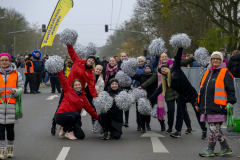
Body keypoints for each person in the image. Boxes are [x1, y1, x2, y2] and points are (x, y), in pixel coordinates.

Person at [148, 48, 207, 138]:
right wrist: (149, 100)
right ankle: (178, 131)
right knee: (179, 114)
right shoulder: (167, 81)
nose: (163, 70)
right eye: (162, 71)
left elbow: (178, 58)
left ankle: (204, 130)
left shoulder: (175, 68)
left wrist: (179, 47)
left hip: (191, 93)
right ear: (162, 74)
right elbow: (158, 91)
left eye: (164, 68)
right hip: (182, 96)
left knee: (197, 112)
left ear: (166, 67)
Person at [139, 52, 194, 134]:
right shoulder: (159, 69)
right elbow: (152, 79)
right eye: (162, 57)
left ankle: (189, 126)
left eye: (165, 56)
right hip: (168, 92)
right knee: (171, 110)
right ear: (160, 58)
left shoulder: (174, 65)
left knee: (183, 110)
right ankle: (170, 127)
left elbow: (185, 62)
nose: (164, 58)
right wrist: (142, 86)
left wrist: (194, 57)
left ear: (167, 57)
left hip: (178, 91)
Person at [51, 45, 98, 135]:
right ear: (87, 59)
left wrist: (96, 98)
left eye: (93, 60)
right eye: (90, 59)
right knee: (61, 107)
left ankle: (71, 128)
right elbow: (71, 51)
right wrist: (69, 43)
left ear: (93, 63)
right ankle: (53, 125)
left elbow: (92, 87)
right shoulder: (78, 61)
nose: (91, 60)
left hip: (78, 92)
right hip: (67, 88)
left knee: (77, 111)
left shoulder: (91, 74)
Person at [197, 51, 236, 157]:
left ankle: (210, 149)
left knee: (213, 128)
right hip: (207, 106)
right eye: (213, 58)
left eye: (218, 59)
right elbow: (202, 89)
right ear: (210, 60)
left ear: (221, 60)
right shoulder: (208, 72)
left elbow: (231, 89)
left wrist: (231, 102)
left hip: (218, 105)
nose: (215, 60)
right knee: (216, 129)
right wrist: (198, 103)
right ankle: (226, 148)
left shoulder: (225, 72)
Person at [55, 71, 98, 140]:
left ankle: (63, 128)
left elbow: (90, 109)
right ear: (73, 86)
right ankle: (68, 131)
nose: (78, 86)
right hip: (61, 116)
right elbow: (63, 80)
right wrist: (59, 70)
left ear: (81, 86)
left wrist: (97, 118)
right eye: (76, 85)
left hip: (72, 118)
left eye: (79, 85)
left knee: (81, 136)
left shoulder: (83, 97)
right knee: (76, 114)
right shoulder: (68, 90)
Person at [0, 53, 24, 159]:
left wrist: (16, 91)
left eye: (6, 60)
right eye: (2, 60)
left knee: (10, 129)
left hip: (11, 105)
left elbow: (21, 88)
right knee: (0, 130)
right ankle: (1, 151)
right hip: (0, 106)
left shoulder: (16, 74)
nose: (4, 62)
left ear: (10, 61)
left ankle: (10, 150)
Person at [132, 64, 157, 132]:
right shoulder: (141, 76)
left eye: (148, 68)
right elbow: (133, 75)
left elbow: (155, 88)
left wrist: (154, 97)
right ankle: (140, 125)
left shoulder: (154, 77)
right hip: (141, 97)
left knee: (147, 111)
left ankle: (147, 124)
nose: (147, 70)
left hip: (150, 96)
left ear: (151, 69)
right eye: (146, 68)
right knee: (139, 112)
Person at [85, 65, 104, 132]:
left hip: (92, 98)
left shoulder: (101, 81)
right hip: (84, 95)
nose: (98, 71)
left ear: (101, 71)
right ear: (95, 69)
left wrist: (98, 99)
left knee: (93, 112)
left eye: (100, 70)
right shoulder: (90, 75)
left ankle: (95, 126)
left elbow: (101, 92)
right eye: (97, 69)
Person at [117, 53, 131, 127]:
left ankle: (126, 121)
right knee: (120, 103)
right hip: (120, 86)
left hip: (127, 86)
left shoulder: (130, 63)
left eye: (124, 56)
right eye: (122, 56)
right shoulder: (118, 63)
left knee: (126, 104)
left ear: (127, 57)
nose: (123, 57)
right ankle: (121, 120)